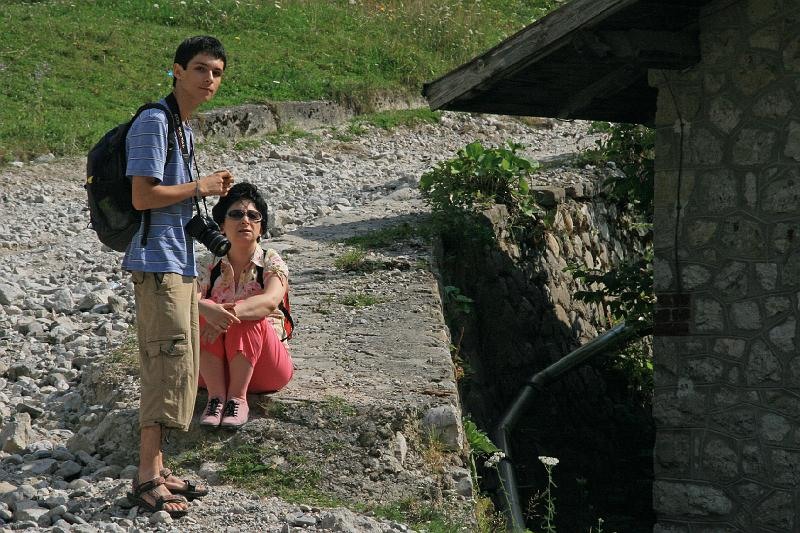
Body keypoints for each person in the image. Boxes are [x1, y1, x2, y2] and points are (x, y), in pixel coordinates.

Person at [124, 35, 233, 518]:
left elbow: (181, 206)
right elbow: (142, 197)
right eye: (201, 69)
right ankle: (146, 477)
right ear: (177, 71)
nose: (209, 79)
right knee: (164, 364)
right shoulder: (154, 122)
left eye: (217, 72)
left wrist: (206, 211)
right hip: (156, 262)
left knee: (181, 365)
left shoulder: (182, 128)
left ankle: (160, 466)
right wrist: (200, 186)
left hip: (180, 262)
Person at [196, 182, 294, 429]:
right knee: (199, 312)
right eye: (236, 214)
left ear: (261, 228)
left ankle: (237, 399)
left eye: (253, 216)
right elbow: (187, 299)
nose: (245, 221)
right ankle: (216, 399)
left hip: (265, 369)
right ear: (221, 225)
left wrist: (229, 314)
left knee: (250, 312)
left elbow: (269, 300)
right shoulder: (208, 263)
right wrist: (208, 310)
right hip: (212, 372)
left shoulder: (271, 260)